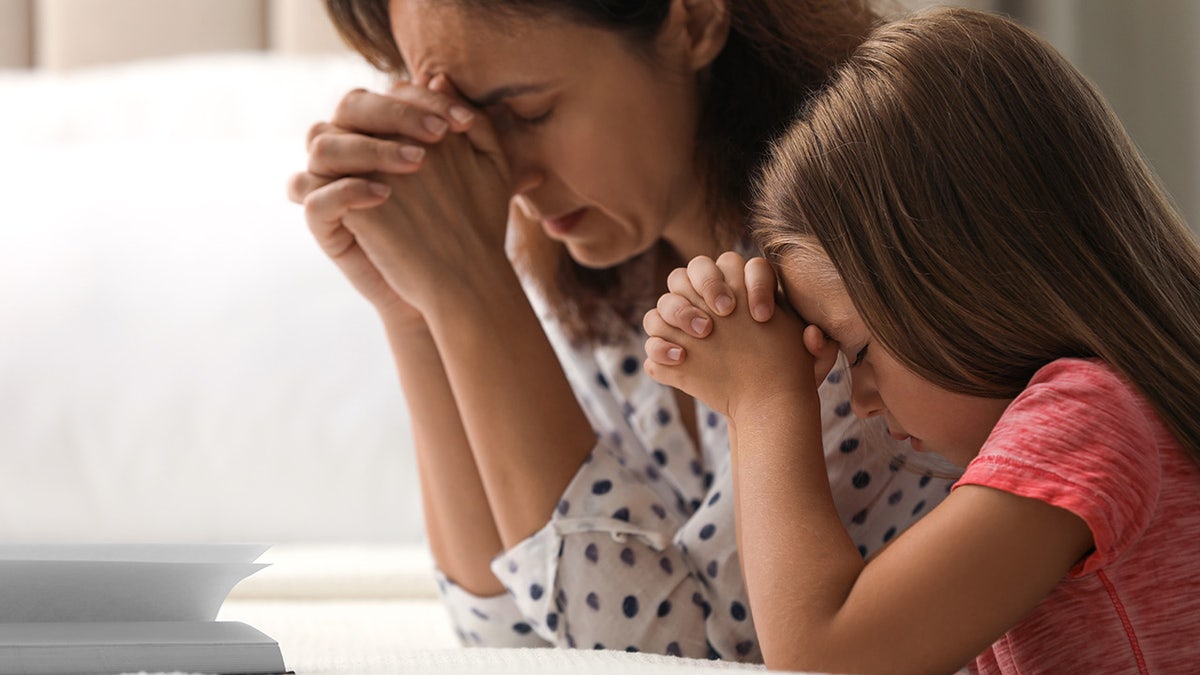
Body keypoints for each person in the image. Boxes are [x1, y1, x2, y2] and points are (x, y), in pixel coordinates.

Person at [286, 0, 956, 659]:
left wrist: (470, 291)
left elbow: (676, 654)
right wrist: (415, 314)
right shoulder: (625, 287)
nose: (511, 177)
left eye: (529, 113)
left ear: (692, 20)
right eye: (467, 136)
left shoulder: (847, 279)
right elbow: (509, 631)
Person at [643, 6, 1200, 673]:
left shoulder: (1091, 415)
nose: (861, 399)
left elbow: (825, 656)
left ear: (965, 278)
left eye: (859, 352)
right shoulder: (1104, 420)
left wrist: (763, 399)